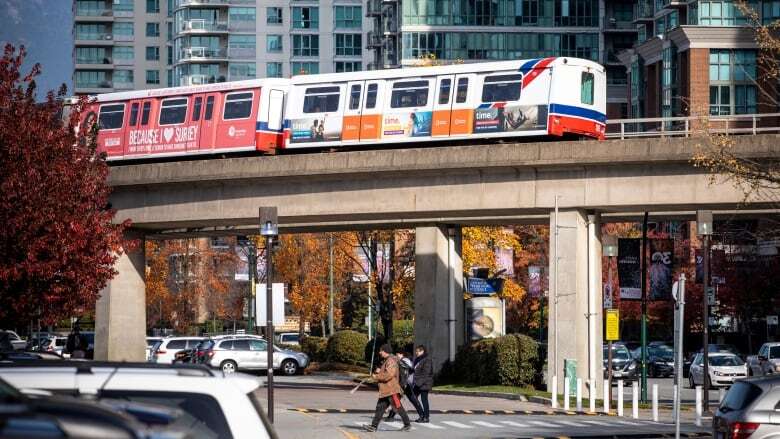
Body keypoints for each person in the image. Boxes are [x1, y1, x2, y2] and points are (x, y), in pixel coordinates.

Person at [364, 344, 411, 432]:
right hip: (387, 389)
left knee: (398, 407)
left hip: (392, 390)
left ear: (385, 351)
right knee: (380, 408)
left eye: (381, 351)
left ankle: (407, 424)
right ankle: (373, 426)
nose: (380, 352)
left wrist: (377, 376)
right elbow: (386, 372)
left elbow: (389, 374)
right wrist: (379, 372)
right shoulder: (388, 360)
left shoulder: (391, 360)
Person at [386, 351, 424, 421]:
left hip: (406, 384)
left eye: (397, 354)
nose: (396, 355)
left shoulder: (405, 360)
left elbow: (410, 368)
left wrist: (398, 362)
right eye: (396, 354)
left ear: (401, 354)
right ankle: (391, 416)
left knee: (412, 400)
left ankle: (422, 415)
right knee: (398, 400)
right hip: (403, 384)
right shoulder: (401, 361)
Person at [412, 345, 434, 423]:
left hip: (425, 383)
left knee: (424, 399)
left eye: (418, 351)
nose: (416, 352)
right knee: (413, 397)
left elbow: (426, 373)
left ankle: (426, 417)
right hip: (418, 383)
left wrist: (418, 383)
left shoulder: (427, 359)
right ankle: (421, 415)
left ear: (422, 351)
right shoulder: (417, 359)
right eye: (416, 351)